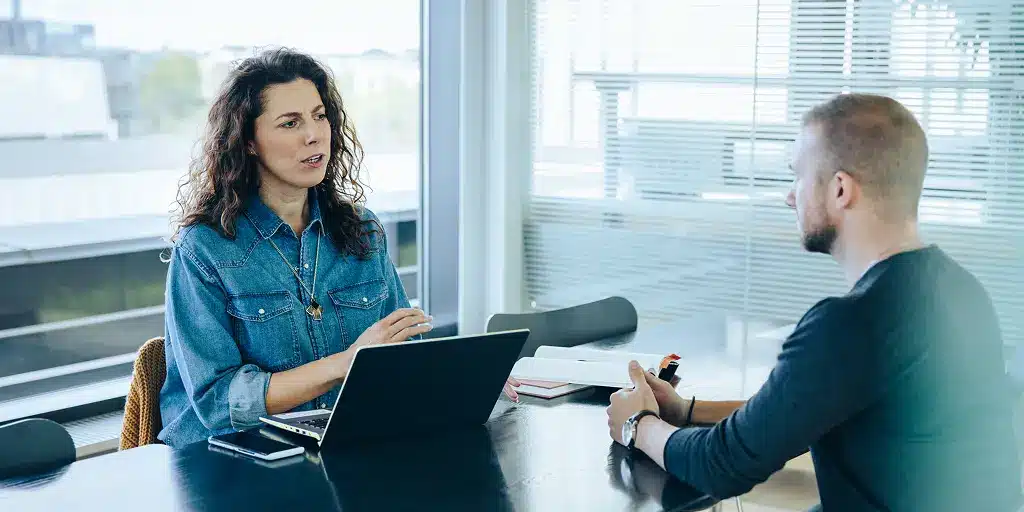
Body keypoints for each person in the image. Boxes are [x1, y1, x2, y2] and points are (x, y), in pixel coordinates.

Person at [606, 93, 1022, 511]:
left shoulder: (853, 322)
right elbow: (803, 405)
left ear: (840, 189)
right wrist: (686, 409)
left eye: (798, 176)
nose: (790, 197)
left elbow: (720, 464)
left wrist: (636, 424)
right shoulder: (960, 291)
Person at [158, 48, 518, 448]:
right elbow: (218, 404)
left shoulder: (362, 230)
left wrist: (470, 378)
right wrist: (347, 364)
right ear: (248, 142)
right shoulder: (204, 249)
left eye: (319, 116)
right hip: (227, 460)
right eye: (290, 122)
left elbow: (400, 352)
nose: (314, 134)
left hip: (335, 445)